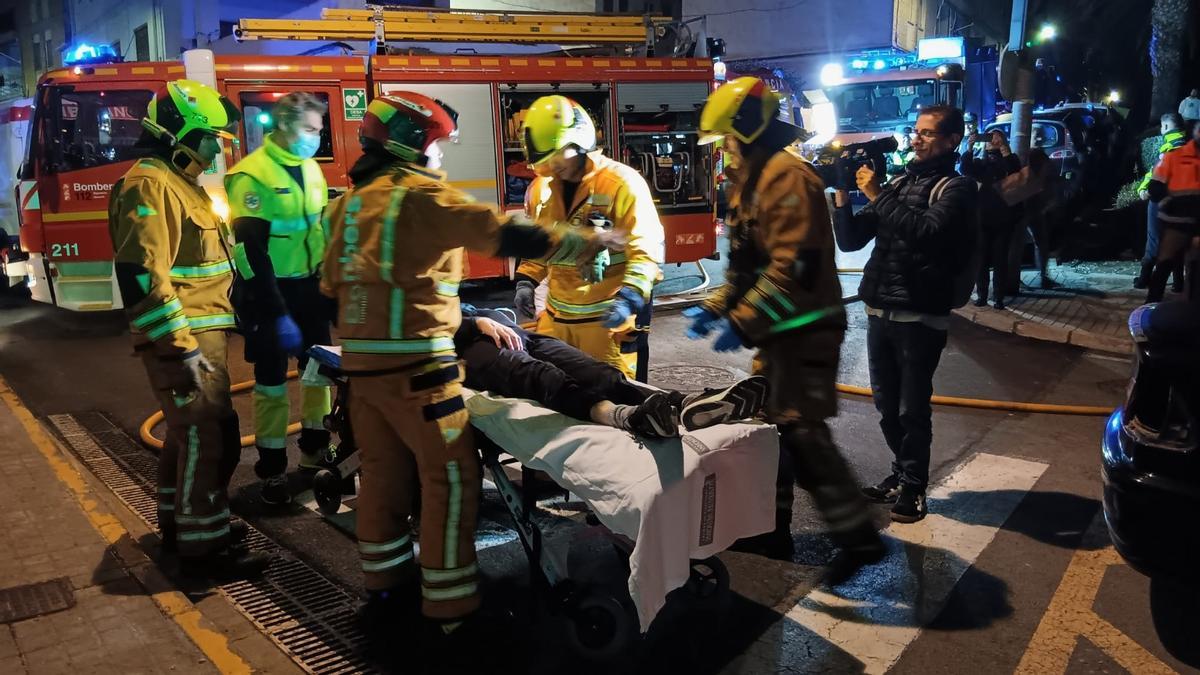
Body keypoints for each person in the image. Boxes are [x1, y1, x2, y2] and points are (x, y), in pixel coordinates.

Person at [319, 93, 622, 668]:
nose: (439, 156)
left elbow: (333, 286)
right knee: (450, 482)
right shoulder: (420, 195)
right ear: (413, 143)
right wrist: (587, 242)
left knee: (381, 479)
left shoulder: (345, 208)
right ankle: (452, 614)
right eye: (436, 144)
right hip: (420, 372)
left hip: (362, 371)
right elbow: (501, 233)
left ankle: (387, 592)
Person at [685, 76, 885, 585]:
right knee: (773, 430)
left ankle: (858, 538)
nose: (725, 150)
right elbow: (745, 264)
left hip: (806, 329)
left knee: (801, 431)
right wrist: (716, 305)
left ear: (748, 132)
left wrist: (741, 320)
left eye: (728, 139)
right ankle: (769, 531)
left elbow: (792, 268)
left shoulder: (788, 177)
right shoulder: (751, 177)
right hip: (779, 331)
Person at [109, 80, 272, 579]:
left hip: (203, 334)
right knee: (209, 439)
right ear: (181, 135)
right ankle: (205, 550)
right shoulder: (150, 185)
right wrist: (180, 349)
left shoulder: (180, 183)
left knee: (187, 437)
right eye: (211, 138)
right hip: (186, 339)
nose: (217, 149)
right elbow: (142, 276)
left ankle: (179, 524)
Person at [832, 105, 978, 524]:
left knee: (911, 409)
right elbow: (851, 240)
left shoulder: (957, 188)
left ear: (951, 140)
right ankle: (901, 473)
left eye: (928, 133)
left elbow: (927, 233)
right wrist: (842, 191)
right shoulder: (899, 183)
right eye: (916, 131)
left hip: (920, 316)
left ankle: (914, 488)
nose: (917, 138)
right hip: (880, 310)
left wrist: (878, 194)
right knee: (886, 405)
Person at [225, 92, 332, 505]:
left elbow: (318, 231)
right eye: (309, 129)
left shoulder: (311, 169)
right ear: (284, 124)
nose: (314, 138)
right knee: (271, 385)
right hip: (269, 291)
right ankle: (271, 470)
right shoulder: (251, 175)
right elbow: (250, 252)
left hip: (309, 288)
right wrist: (277, 313)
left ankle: (314, 452)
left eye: (318, 130)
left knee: (318, 374)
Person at [513, 95, 664, 380]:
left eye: (559, 154)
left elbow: (646, 249)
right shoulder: (547, 188)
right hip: (559, 321)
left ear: (579, 141)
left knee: (618, 396)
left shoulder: (621, 183)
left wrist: (630, 296)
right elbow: (545, 242)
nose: (553, 165)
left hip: (607, 324)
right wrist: (526, 280)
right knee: (563, 394)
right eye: (547, 159)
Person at [457, 305, 768, 437]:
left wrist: (482, 316)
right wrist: (474, 322)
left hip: (511, 330)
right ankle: (624, 417)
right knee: (541, 376)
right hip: (466, 347)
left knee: (597, 373)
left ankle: (686, 404)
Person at [960, 129, 1021, 309]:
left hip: (1004, 218)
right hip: (983, 217)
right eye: (988, 138)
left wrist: (1003, 147)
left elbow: (1015, 171)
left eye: (995, 137)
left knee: (1000, 259)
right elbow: (965, 169)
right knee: (981, 259)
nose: (991, 141)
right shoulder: (981, 163)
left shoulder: (1009, 160)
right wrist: (970, 147)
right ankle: (982, 295)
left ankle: (999, 297)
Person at [1144, 119, 1200, 303]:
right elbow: (1155, 188)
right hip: (1176, 224)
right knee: (1165, 266)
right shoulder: (1173, 157)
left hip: (1189, 224)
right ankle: (1152, 306)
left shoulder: (1173, 157)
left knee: (1191, 270)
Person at [1135, 113, 1188, 290]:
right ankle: (1179, 282)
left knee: (1154, 239)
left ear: (1165, 127)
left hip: (1161, 199)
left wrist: (1143, 189)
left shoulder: (1168, 149)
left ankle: (1144, 279)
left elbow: (1155, 174)